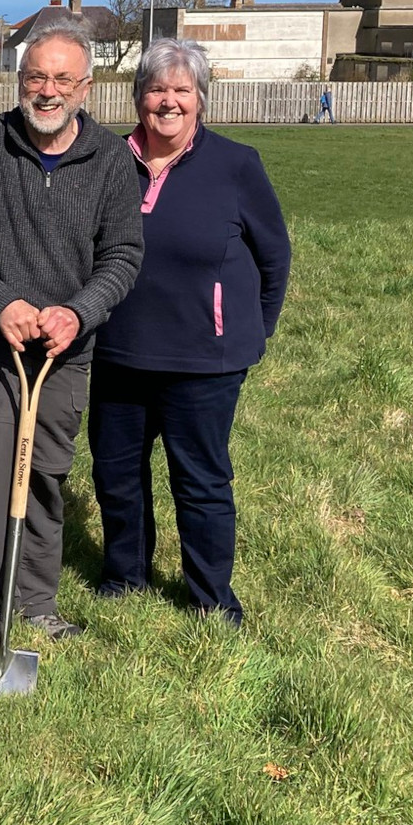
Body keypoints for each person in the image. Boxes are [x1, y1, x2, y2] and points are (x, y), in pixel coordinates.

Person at [0, 15, 143, 647]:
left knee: (45, 468)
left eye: (62, 79)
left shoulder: (108, 159)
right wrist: (0, 303)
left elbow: (123, 255)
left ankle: (34, 601)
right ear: (19, 80)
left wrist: (78, 312)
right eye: (36, 77)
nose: (47, 91)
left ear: (87, 87)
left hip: (65, 349)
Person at [88, 37, 290, 626]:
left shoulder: (237, 165)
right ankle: (125, 575)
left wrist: (250, 332)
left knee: (200, 479)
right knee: (115, 472)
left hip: (206, 359)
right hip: (117, 351)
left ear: (201, 100)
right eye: (156, 89)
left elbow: (274, 257)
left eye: (181, 90)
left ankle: (209, 598)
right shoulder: (104, 160)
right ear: (138, 97)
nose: (168, 102)